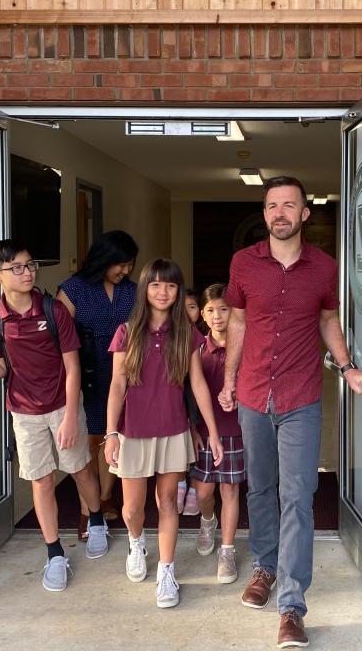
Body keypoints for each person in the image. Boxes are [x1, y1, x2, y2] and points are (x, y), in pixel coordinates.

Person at [220, 176, 362, 648]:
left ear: (305, 213)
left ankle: (291, 606)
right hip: (252, 394)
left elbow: (328, 319)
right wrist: (228, 379)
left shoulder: (324, 267)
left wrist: (347, 368)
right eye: (271, 206)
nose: (279, 213)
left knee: (299, 497)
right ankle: (264, 566)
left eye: (288, 205)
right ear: (264, 214)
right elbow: (238, 321)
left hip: (301, 397)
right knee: (260, 488)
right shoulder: (244, 263)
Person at [0, 239, 110, 593]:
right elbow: (0, 366)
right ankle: (55, 553)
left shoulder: (53, 311)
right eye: (17, 268)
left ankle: (97, 518)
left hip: (62, 405)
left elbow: (73, 367)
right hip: (24, 413)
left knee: (79, 468)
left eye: (30, 265)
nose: (26, 273)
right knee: (41, 480)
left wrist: (72, 416)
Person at [104, 258, 224, 609]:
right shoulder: (127, 332)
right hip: (133, 431)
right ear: (145, 289)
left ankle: (167, 572)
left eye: (170, 285)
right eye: (156, 284)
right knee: (131, 509)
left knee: (168, 502)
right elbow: (117, 384)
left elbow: (199, 386)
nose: (163, 291)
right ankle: (136, 542)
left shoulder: (187, 333)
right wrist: (111, 432)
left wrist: (212, 433)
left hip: (172, 431)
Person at [57, 230, 139, 539]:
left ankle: (105, 496)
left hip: (122, 371)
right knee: (88, 443)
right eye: (121, 264)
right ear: (104, 259)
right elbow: (60, 338)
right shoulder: (74, 289)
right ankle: (86, 509)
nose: (125, 271)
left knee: (112, 436)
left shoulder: (133, 291)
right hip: (86, 372)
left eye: (130, 265)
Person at [191, 283, 244, 584]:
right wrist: (190, 426)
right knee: (204, 493)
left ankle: (227, 549)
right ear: (202, 313)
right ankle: (207, 521)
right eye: (211, 310)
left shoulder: (244, 345)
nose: (218, 316)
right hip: (204, 432)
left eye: (224, 309)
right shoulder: (196, 348)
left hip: (236, 429)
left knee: (230, 489)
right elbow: (186, 392)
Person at [176, 288, 202, 517]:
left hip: (200, 397)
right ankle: (179, 483)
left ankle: (194, 485)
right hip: (177, 397)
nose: (187, 312)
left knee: (198, 441)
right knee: (179, 441)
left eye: (192, 307)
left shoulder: (204, 336)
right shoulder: (169, 334)